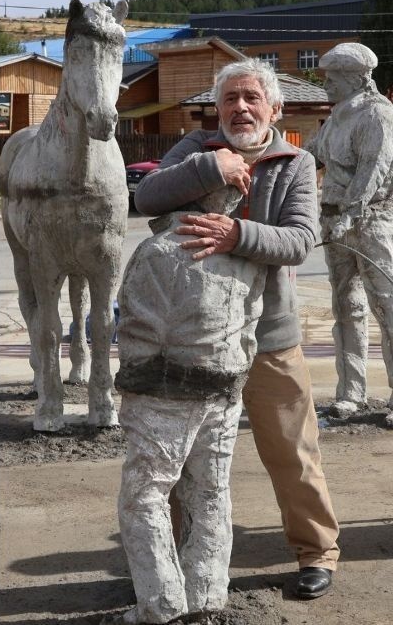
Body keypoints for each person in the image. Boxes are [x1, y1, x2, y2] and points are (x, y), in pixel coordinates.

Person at [134, 58, 340, 600]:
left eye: (252, 98)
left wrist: (236, 234)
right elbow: (146, 197)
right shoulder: (194, 151)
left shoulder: (295, 161)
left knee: (292, 451)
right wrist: (211, 170)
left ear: (274, 108)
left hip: (269, 334)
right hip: (192, 338)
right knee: (181, 458)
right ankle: (180, 564)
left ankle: (317, 552)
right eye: (230, 99)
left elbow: (299, 239)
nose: (241, 108)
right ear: (217, 107)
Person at [114, 176, 263, 623]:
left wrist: (135, 382)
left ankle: (162, 607)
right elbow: (250, 330)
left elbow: (136, 327)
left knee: (144, 495)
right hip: (223, 389)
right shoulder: (245, 257)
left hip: (162, 393)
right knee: (211, 492)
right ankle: (206, 597)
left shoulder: (156, 252)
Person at [303, 42, 393, 417]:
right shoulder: (338, 116)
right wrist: (272, 158)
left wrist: (351, 215)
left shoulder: (378, 115)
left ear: (357, 78)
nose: (325, 84)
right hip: (333, 220)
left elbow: (374, 169)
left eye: (333, 77)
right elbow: (312, 154)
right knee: (346, 307)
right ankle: (351, 392)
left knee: (387, 306)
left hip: (371, 221)